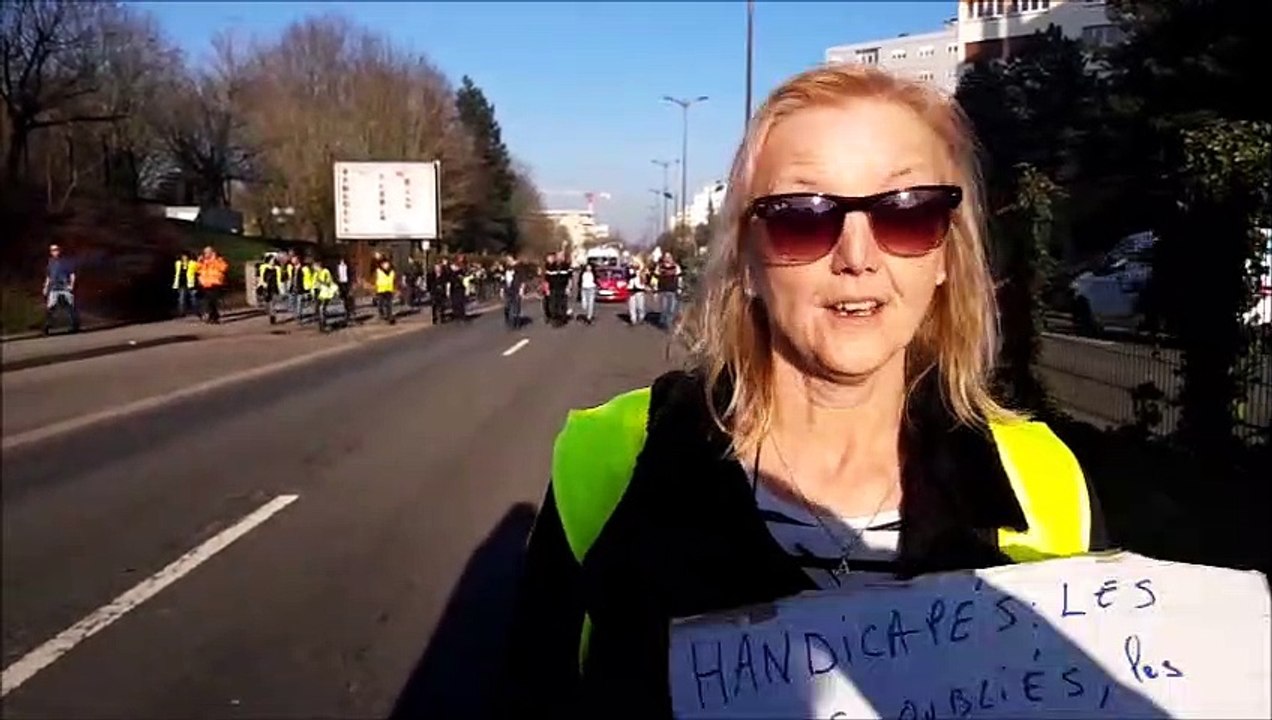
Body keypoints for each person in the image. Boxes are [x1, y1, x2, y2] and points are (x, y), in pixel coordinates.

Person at [501, 64, 1108, 716]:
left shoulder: (1045, 486)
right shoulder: (610, 463)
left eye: (907, 213)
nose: (857, 257)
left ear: (945, 258)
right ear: (747, 259)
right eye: (802, 217)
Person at [42, 243, 79, 334]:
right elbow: (49, 276)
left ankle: (75, 326)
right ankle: (47, 326)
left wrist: (71, 285)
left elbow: (72, 274)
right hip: (54, 287)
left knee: (70, 306)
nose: (54, 252)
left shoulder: (65, 262)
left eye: (56, 250)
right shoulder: (50, 263)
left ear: (59, 250)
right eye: (52, 250)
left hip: (64, 287)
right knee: (50, 307)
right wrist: (45, 287)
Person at [196, 246, 228, 324]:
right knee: (208, 301)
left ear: (212, 253)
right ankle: (213, 316)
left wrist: (214, 259)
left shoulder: (219, 260)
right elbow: (197, 270)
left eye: (208, 252)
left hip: (215, 283)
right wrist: (199, 262)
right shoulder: (203, 261)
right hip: (205, 283)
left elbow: (223, 268)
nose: (206, 254)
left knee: (212, 301)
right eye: (205, 253)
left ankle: (213, 316)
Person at [654, 252, 682, 329]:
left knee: (671, 309)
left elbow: (679, 278)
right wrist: (655, 288)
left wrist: (679, 288)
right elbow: (655, 278)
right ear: (663, 258)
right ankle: (663, 322)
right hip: (663, 290)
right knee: (664, 308)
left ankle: (668, 322)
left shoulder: (676, 267)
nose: (667, 258)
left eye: (669, 257)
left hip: (672, 290)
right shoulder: (660, 267)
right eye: (666, 257)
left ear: (671, 258)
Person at [311, 258, 339, 332]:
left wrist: (321, 282)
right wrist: (313, 289)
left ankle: (323, 325)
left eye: (314, 266)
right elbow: (313, 283)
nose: (313, 267)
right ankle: (321, 324)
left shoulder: (325, 271)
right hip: (317, 293)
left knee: (321, 308)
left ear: (318, 265)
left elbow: (329, 282)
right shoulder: (315, 274)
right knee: (318, 309)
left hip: (325, 293)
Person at [257, 253, 284, 324]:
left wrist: (281, 287)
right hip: (266, 288)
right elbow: (260, 277)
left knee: (273, 303)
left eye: (274, 260)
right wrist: (261, 284)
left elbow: (280, 278)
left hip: (274, 287)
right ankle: (270, 313)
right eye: (272, 260)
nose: (273, 261)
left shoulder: (277, 268)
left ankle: (273, 316)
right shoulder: (263, 267)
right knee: (267, 303)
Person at [173, 251, 199, 318]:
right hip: (181, 284)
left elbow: (198, 271)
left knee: (193, 299)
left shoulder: (193, 263)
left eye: (185, 256)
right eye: (183, 256)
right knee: (181, 299)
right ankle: (181, 313)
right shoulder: (178, 263)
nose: (184, 258)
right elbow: (177, 274)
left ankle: (196, 312)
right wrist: (175, 284)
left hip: (191, 284)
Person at [502, 255, 525, 330]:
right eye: (508, 261)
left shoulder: (518, 271)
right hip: (507, 291)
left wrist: (521, 289)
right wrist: (501, 290)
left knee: (516, 307)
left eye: (511, 260)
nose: (510, 262)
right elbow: (502, 282)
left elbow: (522, 280)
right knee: (507, 306)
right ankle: (508, 320)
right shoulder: (504, 271)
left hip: (516, 290)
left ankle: (516, 323)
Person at [373, 257, 397, 324]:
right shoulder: (378, 271)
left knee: (389, 305)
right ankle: (382, 314)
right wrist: (374, 288)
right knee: (380, 304)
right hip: (380, 290)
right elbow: (374, 279)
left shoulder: (392, 271)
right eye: (384, 264)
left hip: (389, 290)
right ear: (381, 265)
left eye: (387, 264)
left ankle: (390, 317)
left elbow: (395, 281)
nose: (386, 265)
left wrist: (396, 289)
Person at [626, 261, 649, 325]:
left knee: (640, 306)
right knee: (632, 306)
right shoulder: (629, 272)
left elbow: (645, 280)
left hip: (639, 290)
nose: (634, 266)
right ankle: (633, 319)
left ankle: (641, 317)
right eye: (633, 265)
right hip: (631, 290)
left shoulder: (641, 272)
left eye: (636, 265)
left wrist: (645, 273)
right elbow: (629, 276)